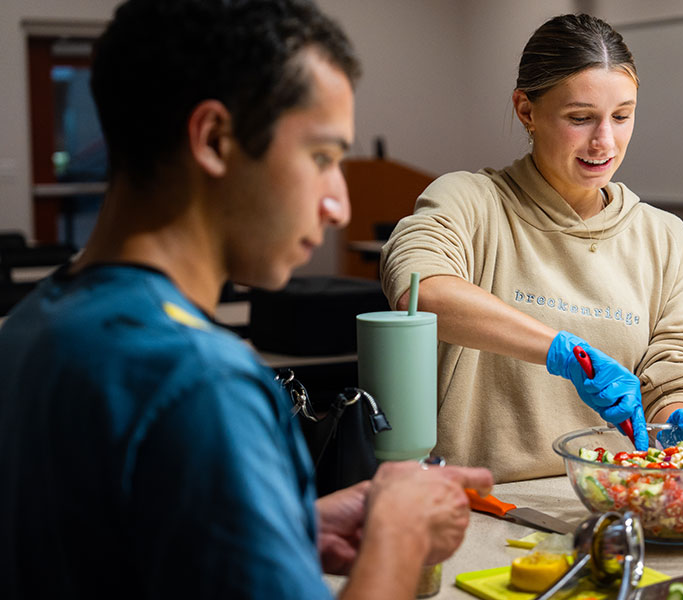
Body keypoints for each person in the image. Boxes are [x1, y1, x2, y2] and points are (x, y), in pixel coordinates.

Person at [0, 1, 492, 598]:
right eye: (321, 158)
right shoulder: (202, 384)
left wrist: (281, 530)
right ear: (213, 140)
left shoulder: (32, 325)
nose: (337, 205)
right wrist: (398, 537)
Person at [380, 14, 683, 482]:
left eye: (621, 116)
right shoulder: (470, 201)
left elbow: (674, 361)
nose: (605, 141)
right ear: (526, 110)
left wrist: (678, 413)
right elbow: (421, 292)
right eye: (580, 118)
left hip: (613, 494)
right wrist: (562, 352)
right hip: (481, 502)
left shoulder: (663, 236)